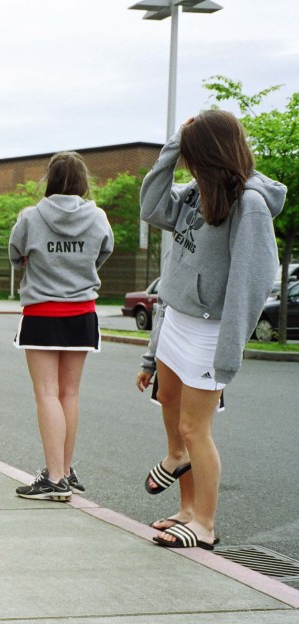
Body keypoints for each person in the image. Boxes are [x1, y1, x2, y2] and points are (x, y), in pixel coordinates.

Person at [139, 110, 283, 550]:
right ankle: (185, 509)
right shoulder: (192, 193)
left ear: (209, 154)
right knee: (170, 412)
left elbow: (251, 285)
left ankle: (204, 524)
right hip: (175, 323)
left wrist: (228, 353)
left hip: (208, 331)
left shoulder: (250, 205)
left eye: (190, 155)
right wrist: (172, 145)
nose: (186, 164)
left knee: (193, 428)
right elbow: (150, 207)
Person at [8, 152, 114, 501]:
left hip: (41, 311)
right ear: (83, 181)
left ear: (49, 180)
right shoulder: (97, 216)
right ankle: (65, 470)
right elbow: (104, 251)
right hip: (82, 311)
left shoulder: (30, 216)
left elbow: (14, 253)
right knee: (70, 393)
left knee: (47, 393)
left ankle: (54, 477)